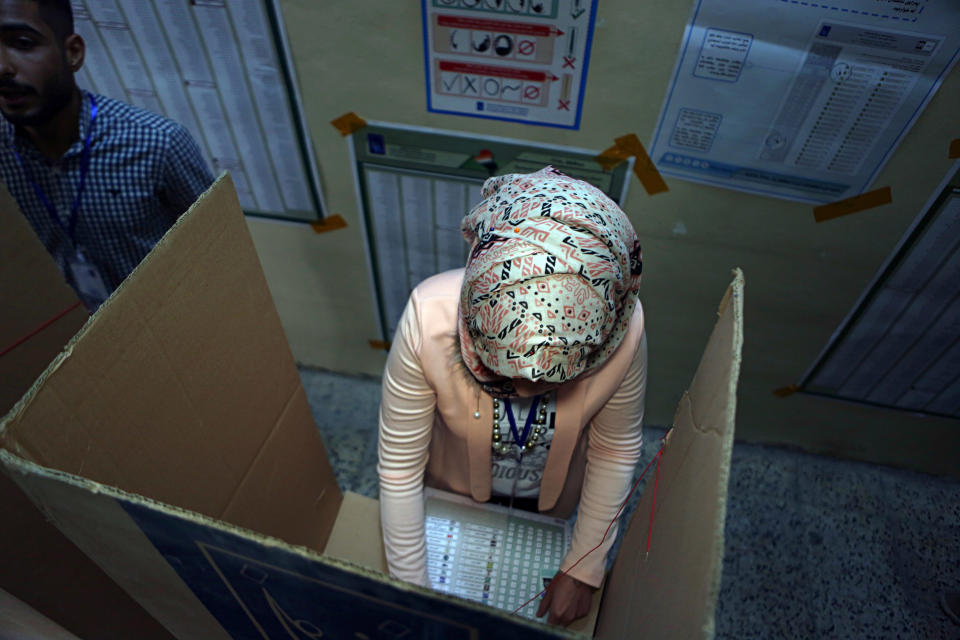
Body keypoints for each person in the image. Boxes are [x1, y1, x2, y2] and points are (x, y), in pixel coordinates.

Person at [378, 166, 647, 627]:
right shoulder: (428, 315)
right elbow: (399, 464)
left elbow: (615, 449)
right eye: (501, 369)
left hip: (553, 501)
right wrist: (415, 602)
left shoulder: (622, 330)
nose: (520, 392)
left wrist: (583, 566)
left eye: (548, 382)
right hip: (454, 491)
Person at [0, 0, 213, 311]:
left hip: (171, 320)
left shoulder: (157, 143)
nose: (2, 67)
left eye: (23, 44)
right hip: (71, 332)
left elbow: (221, 246)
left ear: (72, 52)